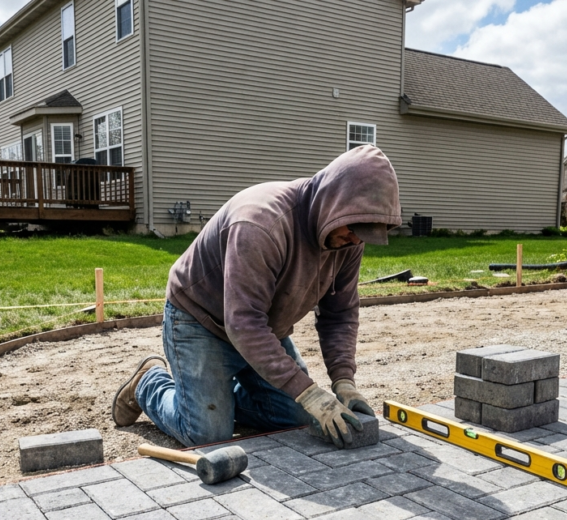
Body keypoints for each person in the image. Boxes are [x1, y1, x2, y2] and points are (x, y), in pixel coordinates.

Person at [113, 145, 401, 448]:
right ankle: (148, 383)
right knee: (208, 435)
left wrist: (344, 381)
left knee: (301, 418)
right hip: (201, 321)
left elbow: (339, 313)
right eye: (354, 228)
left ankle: (215, 399)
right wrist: (309, 392)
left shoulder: (347, 240)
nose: (355, 239)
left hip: (262, 330)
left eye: (364, 233)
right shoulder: (261, 223)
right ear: (335, 201)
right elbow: (243, 323)